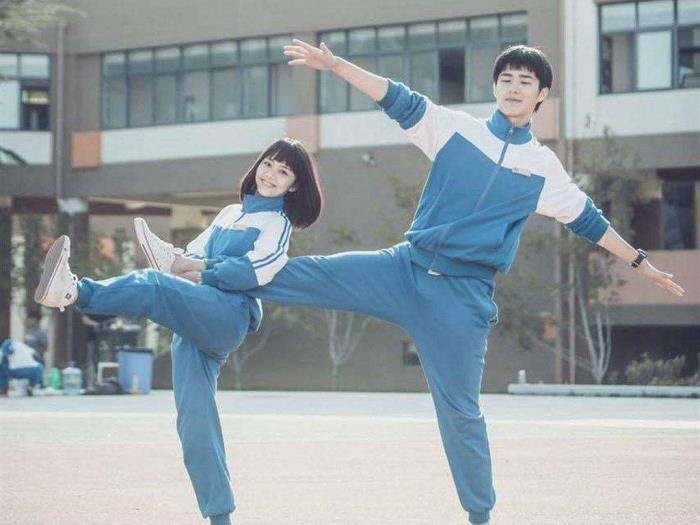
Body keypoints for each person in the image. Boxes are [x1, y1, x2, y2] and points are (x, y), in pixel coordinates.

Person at [154, 41, 683, 525]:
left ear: (541, 94)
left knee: (460, 413)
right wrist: (335, 66)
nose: (513, 87)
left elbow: (588, 220)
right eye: (506, 78)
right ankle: (194, 272)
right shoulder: (457, 130)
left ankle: (480, 515)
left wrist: (640, 261)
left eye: (525, 81)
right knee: (299, 273)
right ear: (495, 86)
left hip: (461, 297)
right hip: (403, 268)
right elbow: (397, 98)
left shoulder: (543, 168)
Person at [33, 138, 323, 525]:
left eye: (283, 171)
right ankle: (220, 518)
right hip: (195, 315)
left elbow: (258, 269)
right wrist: (185, 264)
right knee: (194, 422)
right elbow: (193, 258)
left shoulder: (277, 223)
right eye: (268, 164)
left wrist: (195, 268)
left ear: (294, 185)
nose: (271, 174)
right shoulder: (228, 213)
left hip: (227, 315)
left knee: (154, 285)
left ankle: (74, 291)